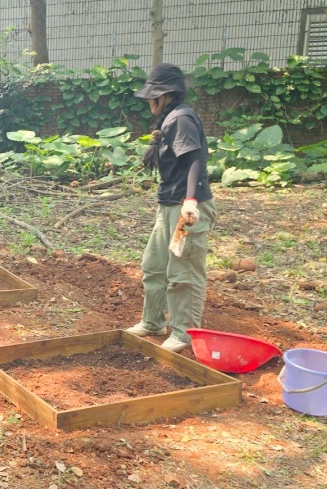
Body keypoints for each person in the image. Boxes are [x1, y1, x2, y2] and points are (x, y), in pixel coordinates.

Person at [124, 63, 218, 353]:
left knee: (183, 272)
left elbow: (195, 160)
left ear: (165, 94)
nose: (149, 101)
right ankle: (153, 322)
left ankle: (184, 333)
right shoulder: (168, 118)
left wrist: (190, 201)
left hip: (186, 206)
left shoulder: (181, 118)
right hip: (169, 205)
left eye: (152, 95)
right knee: (154, 266)